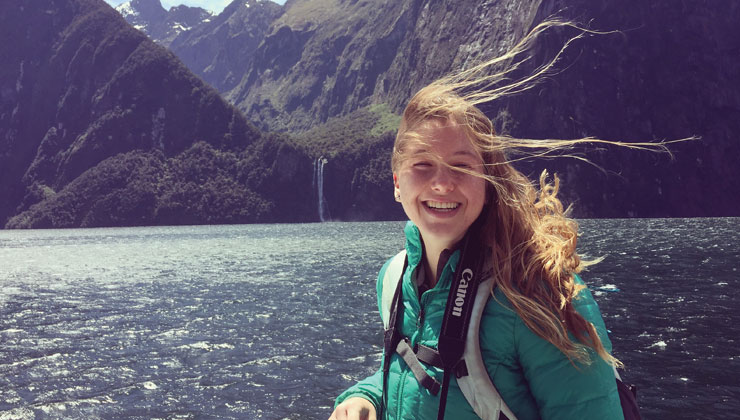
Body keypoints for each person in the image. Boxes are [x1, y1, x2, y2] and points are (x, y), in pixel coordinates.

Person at [329, 20, 634, 420]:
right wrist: (365, 397)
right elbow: (414, 370)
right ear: (397, 183)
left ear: (487, 181)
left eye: (461, 166)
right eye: (422, 165)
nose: (441, 183)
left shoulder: (538, 290)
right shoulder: (393, 278)